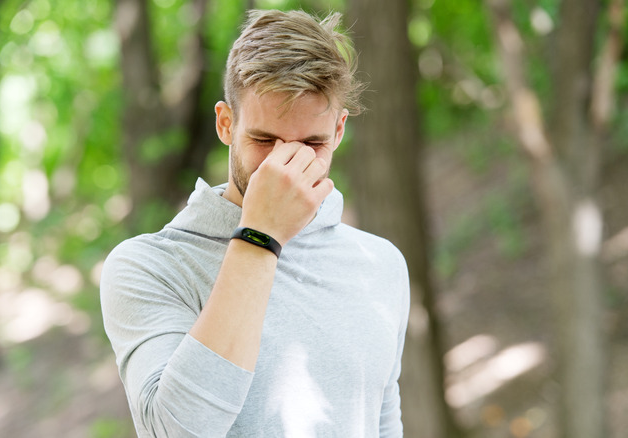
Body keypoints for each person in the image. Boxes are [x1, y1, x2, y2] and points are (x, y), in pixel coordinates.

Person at [100, 9, 410, 437]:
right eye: (264, 141)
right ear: (226, 123)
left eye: (312, 143)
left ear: (339, 130)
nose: (286, 165)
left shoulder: (381, 264)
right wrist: (260, 237)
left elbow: (382, 423)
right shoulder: (149, 267)